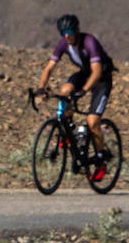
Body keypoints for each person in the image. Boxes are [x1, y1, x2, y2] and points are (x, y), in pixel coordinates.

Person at [36, 13, 116, 171]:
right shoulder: (63, 44)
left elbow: (97, 72)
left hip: (101, 79)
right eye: (63, 33)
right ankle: (68, 128)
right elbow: (49, 67)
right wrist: (41, 87)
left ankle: (101, 157)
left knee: (92, 122)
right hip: (85, 73)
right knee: (65, 90)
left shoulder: (89, 42)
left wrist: (84, 90)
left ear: (77, 30)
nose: (67, 36)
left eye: (70, 32)